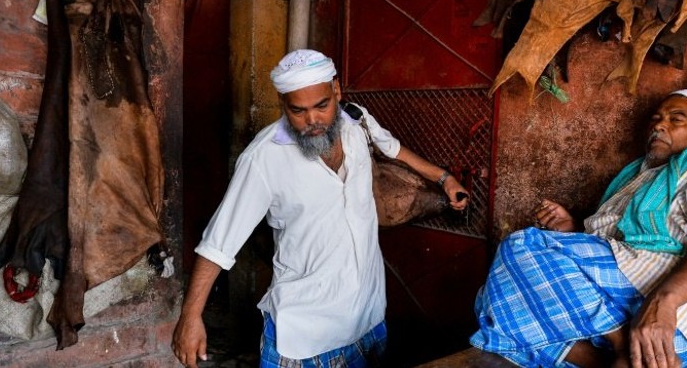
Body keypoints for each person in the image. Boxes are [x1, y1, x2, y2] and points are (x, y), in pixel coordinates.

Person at [172, 49, 469, 367]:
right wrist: (191, 316)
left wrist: (444, 177)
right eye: (298, 110)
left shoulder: (357, 121)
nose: (312, 120)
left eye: (322, 106)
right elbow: (218, 243)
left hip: (368, 322)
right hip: (305, 340)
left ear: (336, 91)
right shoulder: (264, 159)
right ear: (283, 102)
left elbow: (393, 149)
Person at [470, 89, 687, 368]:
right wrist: (571, 231)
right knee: (491, 302)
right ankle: (626, 350)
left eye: (676, 119)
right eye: (656, 118)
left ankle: (625, 346)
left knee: (522, 247)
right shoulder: (634, 177)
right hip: (634, 318)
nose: (659, 125)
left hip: (676, 320)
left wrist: (661, 306)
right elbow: (611, 248)